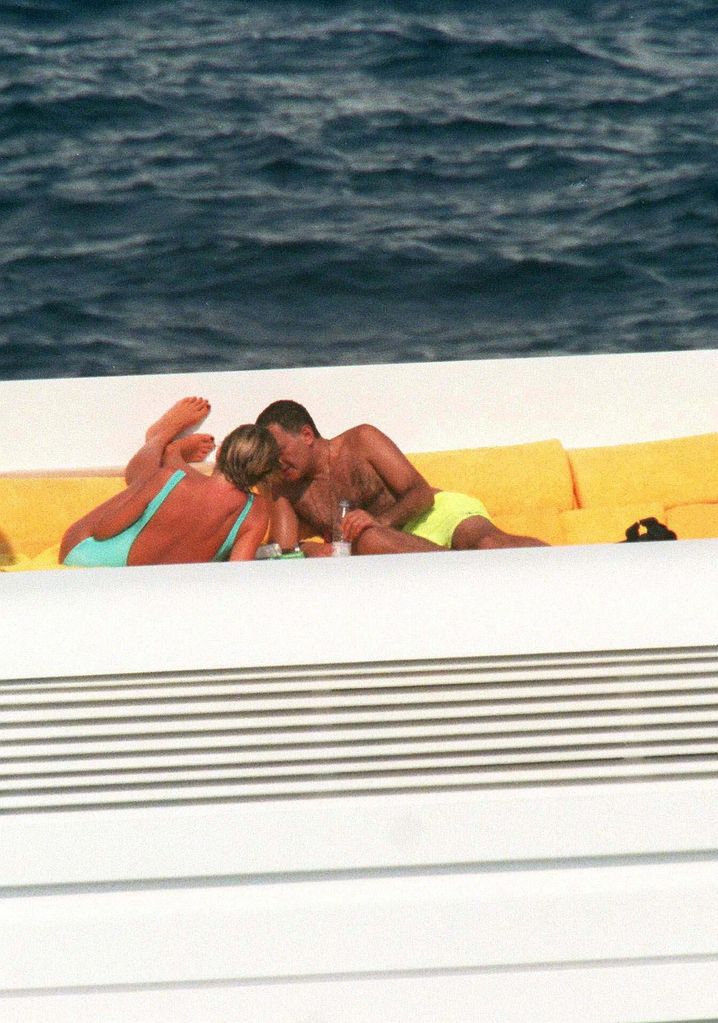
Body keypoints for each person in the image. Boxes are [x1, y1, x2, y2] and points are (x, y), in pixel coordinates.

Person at [254, 399, 547, 556]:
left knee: (488, 546)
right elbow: (283, 551)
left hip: (434, 515)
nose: (277, 462)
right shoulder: (285, 488)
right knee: (367, 540)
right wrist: (312, 546)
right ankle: (461, 568)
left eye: (279, 450)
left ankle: (564, 562)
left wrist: (380, 521)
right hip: (387, 545)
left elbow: (421, 493)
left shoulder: (361, 441)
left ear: (306, 435)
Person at [60, 397, 280, 567]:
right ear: (263, 476)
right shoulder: (257, 513)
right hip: (159, 585)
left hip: (84, 559)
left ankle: (160, 440)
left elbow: (103, 531)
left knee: (150, 478)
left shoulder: (168, 479)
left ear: (220, 452)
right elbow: (237, 573)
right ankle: (170, 452)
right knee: (165, 478)